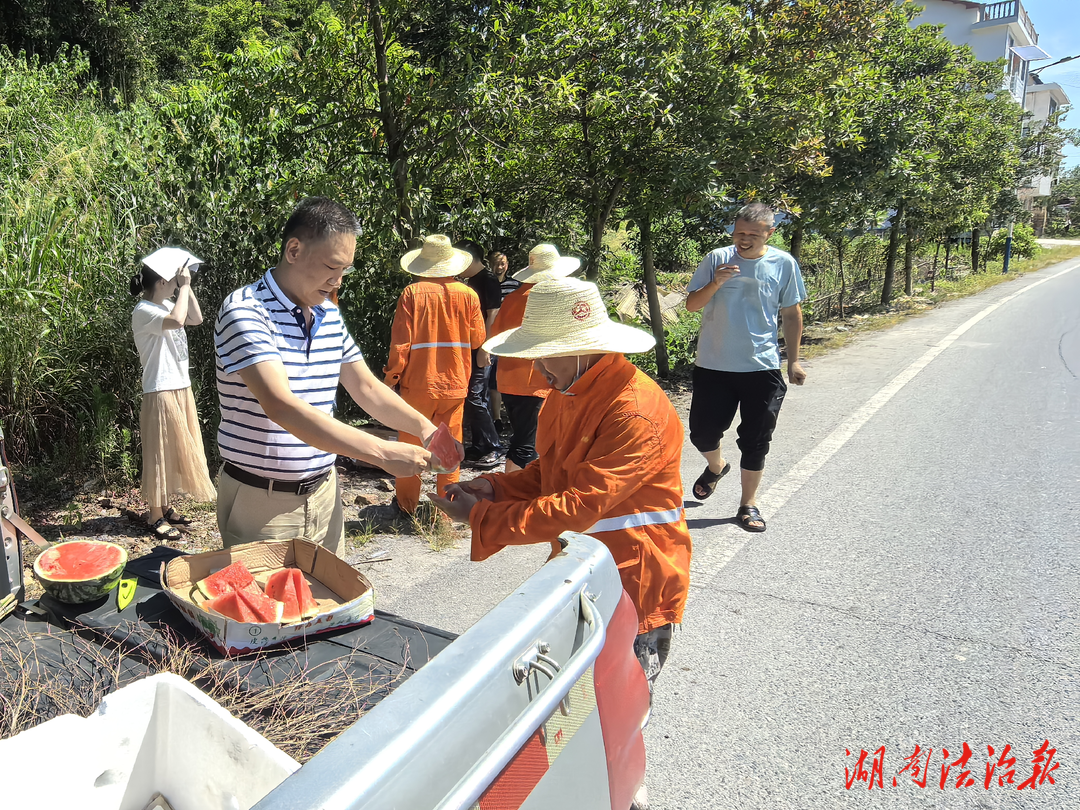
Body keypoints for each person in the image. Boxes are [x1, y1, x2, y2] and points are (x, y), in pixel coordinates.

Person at [429, 276, 692, 689]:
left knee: (619, 710)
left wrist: (483, 517)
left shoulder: (633, 412)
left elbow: (579, 505)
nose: (537, 368)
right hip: (585, 569)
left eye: (545, 355)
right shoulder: (569, 391)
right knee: (581, 705)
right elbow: (551, 472)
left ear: (584, 348)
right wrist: (496, 489)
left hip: (632, 584)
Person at [214, 197, 439, 555]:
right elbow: (281, 405)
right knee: (269, 608)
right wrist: (380, 452)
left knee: (328, 606)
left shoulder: (328, 314)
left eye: (345, 270)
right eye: (332, 266)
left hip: (325, 494)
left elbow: (365, 387)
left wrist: (426, 429)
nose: (337, 280)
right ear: (294, 250)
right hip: (263, 501)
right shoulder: (245, 311)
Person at [684, 202, 807, 532]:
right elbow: (692, 305)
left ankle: (747, 504)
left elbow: (792, 314)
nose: (745, 239)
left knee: (756, 440)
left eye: (753, 234)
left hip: (762, 367)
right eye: (739, 233)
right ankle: (716, 465)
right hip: (714, 364)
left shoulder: (783, 263)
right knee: (702, 433)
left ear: (770, 232)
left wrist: (793, 359)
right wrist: (715, 283)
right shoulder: (717, 259)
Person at [382, 234, 485, 515]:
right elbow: (478, 339)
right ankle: (448, 510)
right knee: (449, 449)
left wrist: (392, 378)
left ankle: (406, 507)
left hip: (418, 384)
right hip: (455, 384)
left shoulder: (412, 294)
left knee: (411, 446)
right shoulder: (469, 295)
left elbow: (400, 344)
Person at [130, 248, 216, 541]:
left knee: (172, 451)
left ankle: (165, 507)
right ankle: (154, 515)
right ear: (163, 282)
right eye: (174, 280)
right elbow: (179, 321)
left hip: (179, 385)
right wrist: (186, 286)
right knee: (159, 452)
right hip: (160, 388)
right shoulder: (143, 312)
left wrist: (185, 290)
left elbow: (196, 318)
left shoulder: (167, 303)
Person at [488, 244, 580, 472]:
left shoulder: (513, 298)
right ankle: (513, 497)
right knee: (528, 444)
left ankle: (519, 494)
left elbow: (496, 336)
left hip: (510, 380)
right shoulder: (550, 300)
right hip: (537, 380)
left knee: (525, 439)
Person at [455, 239, 503, 469]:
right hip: (468, 348)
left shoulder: (488, 279)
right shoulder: (470, 281)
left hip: (482, 348)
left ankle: (494, 446)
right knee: (473, 397)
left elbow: (492, 316)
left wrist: (485, 348)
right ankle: (480, 444)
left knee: (475, 397)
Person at [487, 250, 519, 431]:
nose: (500, 267)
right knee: (493, 379)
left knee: (507, 376)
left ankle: (512, 416)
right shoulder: (485, 284)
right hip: (491, 335)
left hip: (509, 336)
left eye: (503, 263)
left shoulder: (515, 285)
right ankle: (497, 418)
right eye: (497, 263)